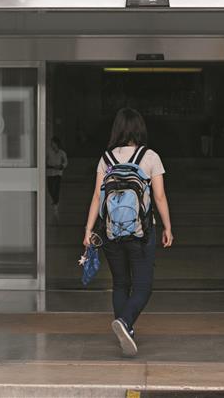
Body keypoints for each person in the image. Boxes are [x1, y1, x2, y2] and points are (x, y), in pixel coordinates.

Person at [83, 108, 174, 357]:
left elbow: (96, 196)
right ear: (140, 129)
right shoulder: (150, 157)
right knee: (143, 286)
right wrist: (167, 227)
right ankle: (125, 322)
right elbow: (159, 196)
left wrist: (88, 229)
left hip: (111, 233)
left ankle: (127, 330)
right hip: (141, 233)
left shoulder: (106, 159)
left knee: (120, 283)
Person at [46, 136, 68, 211]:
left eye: (53, 143)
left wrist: (61, 166)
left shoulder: (62, 153)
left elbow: (65, 162)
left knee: (56, 188)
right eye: (51, 143)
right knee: (50, 188)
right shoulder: (48, 151)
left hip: (58, 173)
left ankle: (56, 202)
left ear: (56, 143)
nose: (52, 144)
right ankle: (55, 200)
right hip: (50, 173)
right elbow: (44, 160)